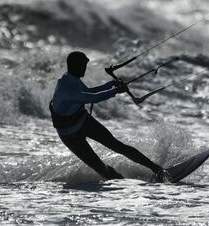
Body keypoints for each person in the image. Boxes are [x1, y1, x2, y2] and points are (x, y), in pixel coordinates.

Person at [49, 51, 165, 182]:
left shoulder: (72, 78)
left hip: (83, 121)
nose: (84, 69)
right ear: (75, 66)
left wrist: (109, 85)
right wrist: (115, 91)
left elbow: (88, 91)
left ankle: (158, 170)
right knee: (102, 170)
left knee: (118, 146)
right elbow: (91, 98)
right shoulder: (67, 88)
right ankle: (122, 184)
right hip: (70, 136)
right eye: (83, 66)